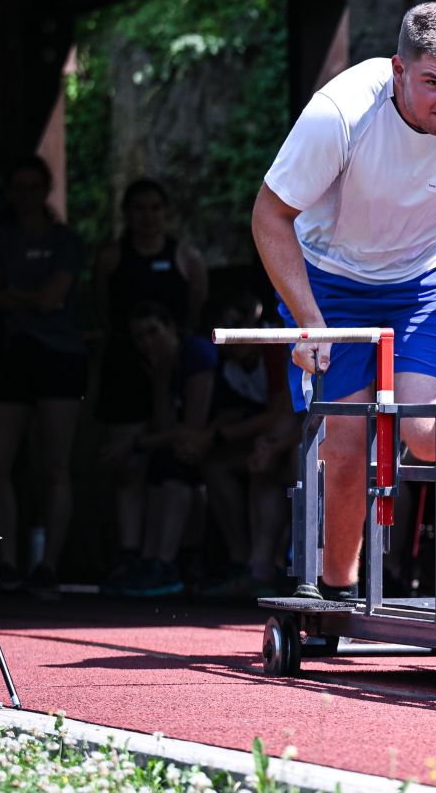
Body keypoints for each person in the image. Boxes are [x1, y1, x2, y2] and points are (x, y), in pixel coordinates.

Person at [252, 0, 436, 601]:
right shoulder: (338, 112)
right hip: (332, 279)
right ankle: (337, 589)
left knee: (425, 432)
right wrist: (310, 322)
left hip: (429, 275)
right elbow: (269, 215)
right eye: (434, 84)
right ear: (398, 71)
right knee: (346, 444)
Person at [0, 156, 87, 594]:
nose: (24, 195)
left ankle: (48, 564)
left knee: (55, 464)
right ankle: (7, 562)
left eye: (31, 186)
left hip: (60, 357)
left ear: (45, 190)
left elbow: (52, 298)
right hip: (16, 356)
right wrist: (31, 299)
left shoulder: (66, 241)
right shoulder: (4, 240)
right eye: (16, 187)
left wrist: (17, 296)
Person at [93, 179, 208, 581]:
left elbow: (196, 308)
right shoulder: (111, 258)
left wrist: (168, 353)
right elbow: (104, 313)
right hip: (125, 371)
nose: (148, 216)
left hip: (173, 368)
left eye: (155, 207)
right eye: (139, 208)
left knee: (168, 456)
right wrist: (139, 348)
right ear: (127, 212)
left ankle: (163, 558)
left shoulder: (185, 257)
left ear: (166, 211)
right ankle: (129, 554)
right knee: (128, 464)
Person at [105, 300, 217, 598]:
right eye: (140, 337)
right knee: (158, 463)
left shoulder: (197, 353)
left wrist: (136, 443)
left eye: (153, 332)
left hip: (226, 436)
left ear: (171, 328)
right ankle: (148, 561)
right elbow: (165, 425)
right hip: (189, 444)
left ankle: (164, 564)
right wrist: (161, 379)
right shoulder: (160, 367)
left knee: (176, 462)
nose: (147, 342)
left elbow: (192, 429)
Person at [193, 293, 298, 599]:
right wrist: (205, 437)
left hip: (304, 436)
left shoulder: (275, 346)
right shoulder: (228, 365)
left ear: (253, 319)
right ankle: (248, 563)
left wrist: (271, 446)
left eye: (234, 325)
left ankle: (300, 568)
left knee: (292, 463)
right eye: (221, 328)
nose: (230, 335)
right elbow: (232, 415)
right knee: (222, 464)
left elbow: (285, 411)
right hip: (272, 441)